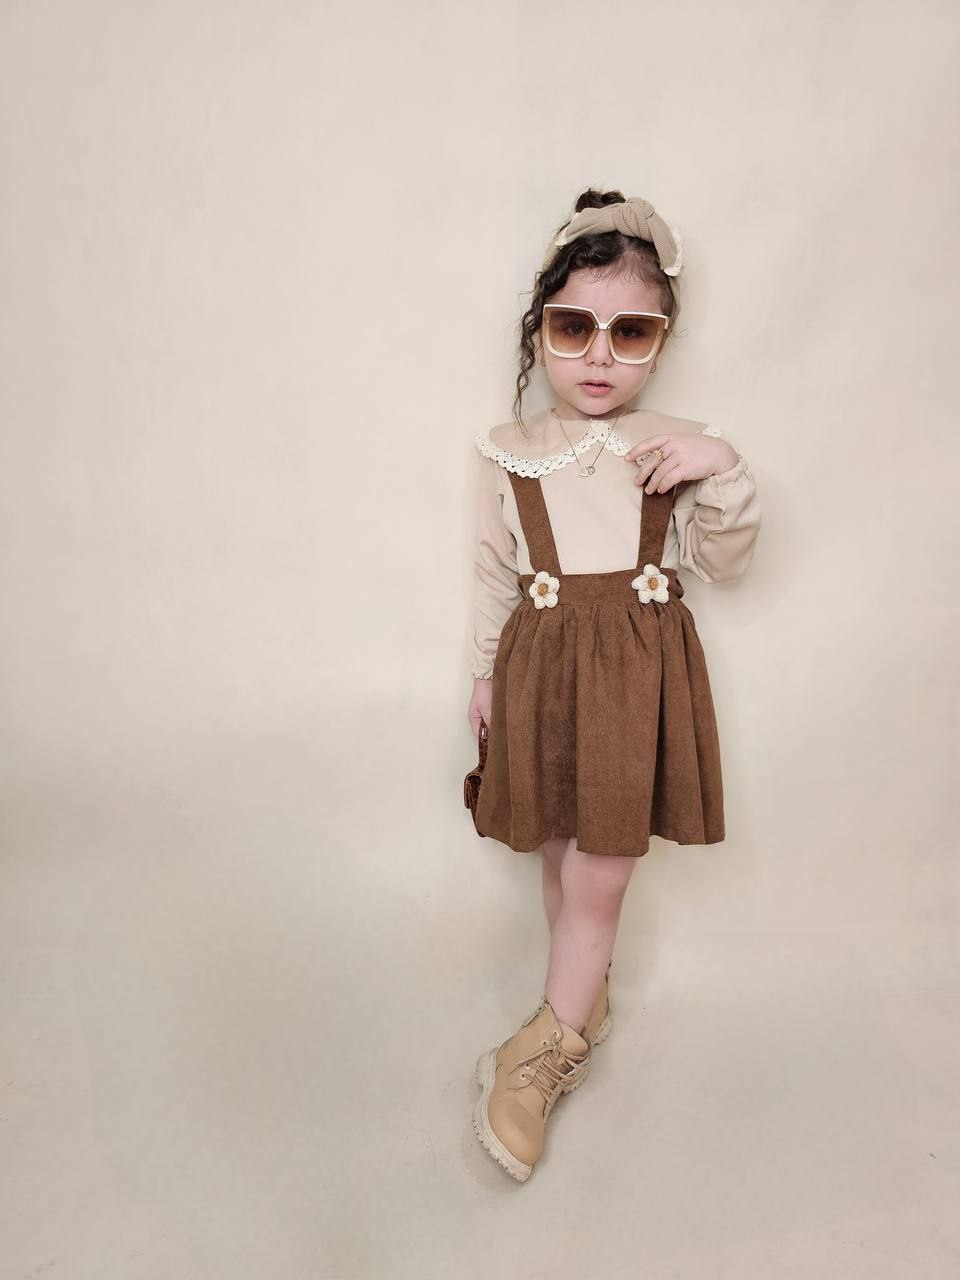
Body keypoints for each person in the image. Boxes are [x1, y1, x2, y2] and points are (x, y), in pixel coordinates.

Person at [465, 189, 762, 1182]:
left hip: (633, 679)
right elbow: (493, 573)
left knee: (600, 872)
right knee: (560, 851)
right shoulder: (509, 451)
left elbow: (725, 562)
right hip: (542, 672)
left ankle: (546, 1052)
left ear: (661, 339)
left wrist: (722, 467)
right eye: (574, 326)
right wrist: (484, 679)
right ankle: (580, 1004)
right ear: (540, 328)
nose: (599, 355)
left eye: (630, 331)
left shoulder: (672, 441)